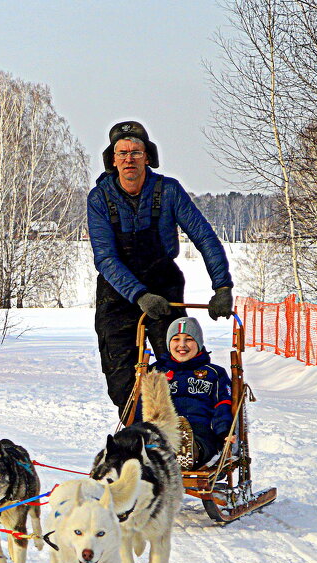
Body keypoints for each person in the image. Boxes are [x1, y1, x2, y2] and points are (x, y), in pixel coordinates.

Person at [88, 120, 235, 420]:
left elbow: (204, 236)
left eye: (136, 152)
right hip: (117, 294)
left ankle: (185, 433)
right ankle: (137, 433)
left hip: (163, 285)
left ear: (148, 156)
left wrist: (222, 286)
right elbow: (105, 258)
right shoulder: (100, 199)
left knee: (179, 364)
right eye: (122, 152)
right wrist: (139, 295)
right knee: (121, 379)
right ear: (112, 159)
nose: (129, 158)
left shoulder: (168, 191)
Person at [151, 317, 233, 469]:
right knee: (149, 436)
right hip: (162, 428)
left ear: (199, 343)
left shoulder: (214, 373)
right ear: (169, 343)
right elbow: (144, 404)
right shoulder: (156, 372)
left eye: (189, 339)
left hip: (199, 429)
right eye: (176, 339)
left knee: (196, 439)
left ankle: (187, 452)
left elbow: (222, 405)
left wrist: (224, 432)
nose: (182, 345)